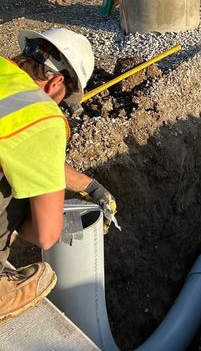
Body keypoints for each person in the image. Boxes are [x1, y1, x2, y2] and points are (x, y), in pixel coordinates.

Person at [0, 28, 117, 321]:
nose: (60, 107)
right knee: (26, 192)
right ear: (56, 83)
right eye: (64, 100)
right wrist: (15, 229)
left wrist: (90, 186)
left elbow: (20, 149)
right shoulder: (42, 116)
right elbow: (46, 234)